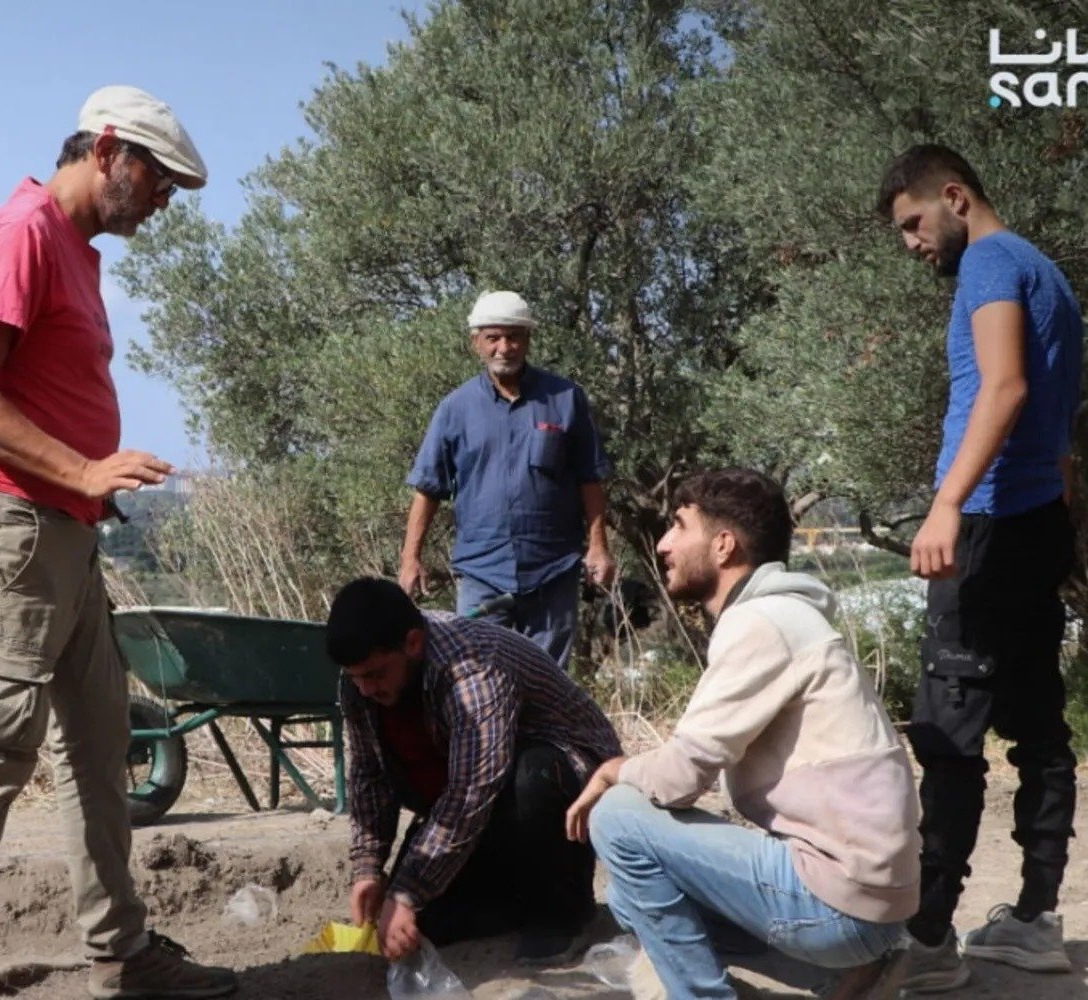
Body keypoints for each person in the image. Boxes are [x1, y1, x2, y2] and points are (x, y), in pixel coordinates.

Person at [0, 86, 234, 1000]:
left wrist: (85, 486)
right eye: (159, 181)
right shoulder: (24, 232)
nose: (163, 202)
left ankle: (121, 953)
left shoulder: (73, 250)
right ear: (109, 150)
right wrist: (82, 469)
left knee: (98, 741)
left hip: (59, 531)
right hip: (8, 520)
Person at [570, 468, 919, 1000]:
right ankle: (855, 973)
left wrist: (612, 771)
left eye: (679, 526)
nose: (662, 544)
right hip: (872, 903)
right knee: (627, 899)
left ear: (724, 545)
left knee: (618, 816)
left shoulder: (761, 623)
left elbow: (680, 778)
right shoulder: (787, 616)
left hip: (841, 904)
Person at [876, 144, 1082, 992]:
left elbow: (1004, 389)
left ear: (955, 196)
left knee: (949, 734)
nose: (912, 244)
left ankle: (928, 941)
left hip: (989, 530)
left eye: (914, 223)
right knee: (1040, 729)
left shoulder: (991, 264)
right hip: (1035, 525)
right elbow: (1056, 418)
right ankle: (1034, 920)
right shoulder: (1048, 273)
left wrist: (947, 506)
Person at [328, 577, 621, 966]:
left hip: (565, 783)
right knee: (421, 928)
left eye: (376, 675)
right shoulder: (362, 682)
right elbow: (370, 773)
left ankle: (563, 910)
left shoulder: (476, 666)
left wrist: (407, 891)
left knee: (533, 775)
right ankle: (515, 899)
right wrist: (369, 868)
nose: (365, 690)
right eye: (356, 677)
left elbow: (472, 790)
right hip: (479, 802)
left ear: (412, 643)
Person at [400, 290, 615, 670]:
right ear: (476, 343)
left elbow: (590, 479)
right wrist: (410, 559)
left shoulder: (566, 399)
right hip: (481, 571)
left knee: (547, 681)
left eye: (513, 337)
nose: (504, 347)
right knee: (476, 676)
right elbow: (428, 489)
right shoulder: (455, 408)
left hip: (553, 569)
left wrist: (599, 547)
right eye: (493, 338)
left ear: (527, 339)